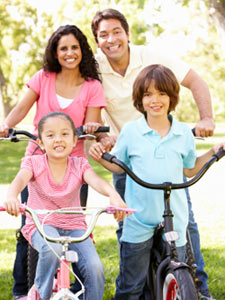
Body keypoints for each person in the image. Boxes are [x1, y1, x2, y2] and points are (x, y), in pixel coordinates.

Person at [91, 8, 215, 300]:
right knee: (132, 261)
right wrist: (101, 148)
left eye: (116, 31)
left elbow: (189, 168)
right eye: (103, 35)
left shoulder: (181, 130)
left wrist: (209, 127)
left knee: (185, 242)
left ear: (128, 33)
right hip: (132, 168)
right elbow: (113, 156)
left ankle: (199, 290)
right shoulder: (93, 68)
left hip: (171, 191)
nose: (111, 39)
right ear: (96, 41)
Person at [0, 25, 106, 299]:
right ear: (55, 53)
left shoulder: (92, 86)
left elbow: (93, 123)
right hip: (38, 162)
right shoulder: (43, 77)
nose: (69, 53)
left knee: (72, 230)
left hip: (73, 168)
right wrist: (5, 125)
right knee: (30, 227)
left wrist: (93, 125)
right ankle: (23, 292)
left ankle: (72, 288)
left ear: (82, 50)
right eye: (63, 48)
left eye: (74, 47)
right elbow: (22, 108)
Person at [4, 111, 128, 300]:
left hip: (75, 227)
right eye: (50, 135)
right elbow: (19, 181)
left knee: (95, 268)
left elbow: (97, 181)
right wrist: (12, 196)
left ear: (74, 141)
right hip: (41, 224)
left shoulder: (79, 164)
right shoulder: (33, 163)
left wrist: (114, 195)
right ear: (41, 143)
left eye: (64, 134)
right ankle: (40, 296)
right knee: (50, 247)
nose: (58, 140)